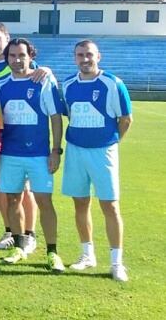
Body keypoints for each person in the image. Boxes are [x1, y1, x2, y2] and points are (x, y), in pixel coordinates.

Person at [0, 38, 65, 272]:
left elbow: (56, 117)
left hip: (39, 155)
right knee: (12, 200)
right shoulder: (1, 85)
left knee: (44, 201)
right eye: (12, 56)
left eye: (21, 55)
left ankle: (52, 252)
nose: (17, 60)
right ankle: (18, 247)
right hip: (10, 153)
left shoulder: (43, 80)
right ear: (6, 58)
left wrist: (56, 151)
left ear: (30, 56)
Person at [61, 40, 132, 282]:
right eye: (80, 55)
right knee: (80, 204)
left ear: (98, 56)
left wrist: (111, 142)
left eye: (89, 54)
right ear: (75, 58)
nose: (85, 59)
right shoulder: (68, 84)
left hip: (103, 152)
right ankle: (87, 254)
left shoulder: (112, 83)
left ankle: (116, 262)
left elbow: (125, 119)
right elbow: (70, 115)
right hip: (75, 150)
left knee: (110, 206)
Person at [0, 22, 41, 254]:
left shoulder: (26, 64)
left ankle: (30, 234)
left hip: (22, 135)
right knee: (6, 187)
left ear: (6, 38)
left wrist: (47, 70)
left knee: (25, 189)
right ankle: (11, 232)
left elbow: (39, 72)